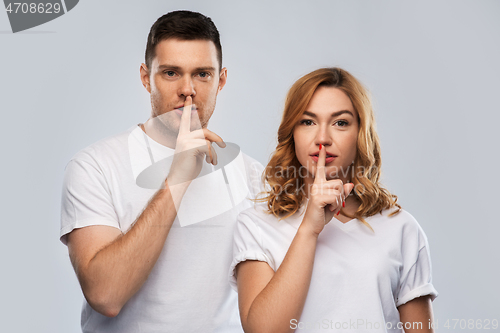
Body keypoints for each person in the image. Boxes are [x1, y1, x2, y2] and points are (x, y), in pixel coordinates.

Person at [60, 10, 262, 332]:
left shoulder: (251, 175)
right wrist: (178, 177)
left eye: (202, 74)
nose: (187, 89)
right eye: (170, 73)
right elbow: (105, 294)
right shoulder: (94, 166)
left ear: (221, 80)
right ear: (145, 77)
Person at [230, 68, 438, 332]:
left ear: (361, 134)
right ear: (291, 133)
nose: (322, 139)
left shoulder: (401, 228)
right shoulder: (255, 225)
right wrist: (308, 229)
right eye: (308, 122)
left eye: (340, 122)